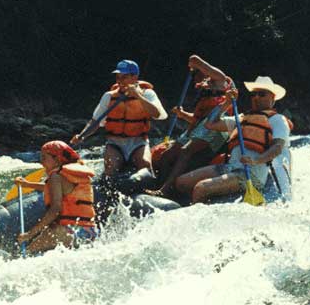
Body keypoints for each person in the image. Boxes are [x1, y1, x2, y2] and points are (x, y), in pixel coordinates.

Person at [175, 76, 293, 204]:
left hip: (252, 174)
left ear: (272, 98)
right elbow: (210, 124)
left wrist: (255, 160)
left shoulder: (278, 120)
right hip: (230, 167)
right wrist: (226, 103)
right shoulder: (242, 118)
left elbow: (277, 147)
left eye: (261, 94)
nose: (256, 97)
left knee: (200, 188)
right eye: (253, 94)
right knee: (181, 182)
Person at [148, 55, 236, 198]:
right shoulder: (206, 87)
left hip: (217, 124)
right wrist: (182, 114)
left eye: (196, 74)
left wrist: (195, 63)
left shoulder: (220, 79)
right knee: (166, 155)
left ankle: (165, 189)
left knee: (186, 150)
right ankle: (158, 185)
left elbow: (195, 59)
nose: (195, 79)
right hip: (201, 126)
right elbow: (197, 120)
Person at [70, 59, 167, 178]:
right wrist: (82, 135)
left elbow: (158, 115)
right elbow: (95, 121)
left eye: (124, 77)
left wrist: (138, 95)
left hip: (138, 142)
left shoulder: (147, 94)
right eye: (117, 77)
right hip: (115, 143)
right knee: (110, 169)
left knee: (145, 165)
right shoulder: (109, 96)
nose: (120, 81)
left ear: (134, 77)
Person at [14, 141, 97, 254]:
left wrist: (30, 234)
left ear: (57, 160)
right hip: (88, 230)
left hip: (65, 231)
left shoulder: (55, 176)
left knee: (26, 254)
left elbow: (55, 209)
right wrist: (28, 184)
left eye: (44, 158)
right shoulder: (70, 176)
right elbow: (52, 189)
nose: (41, 162)